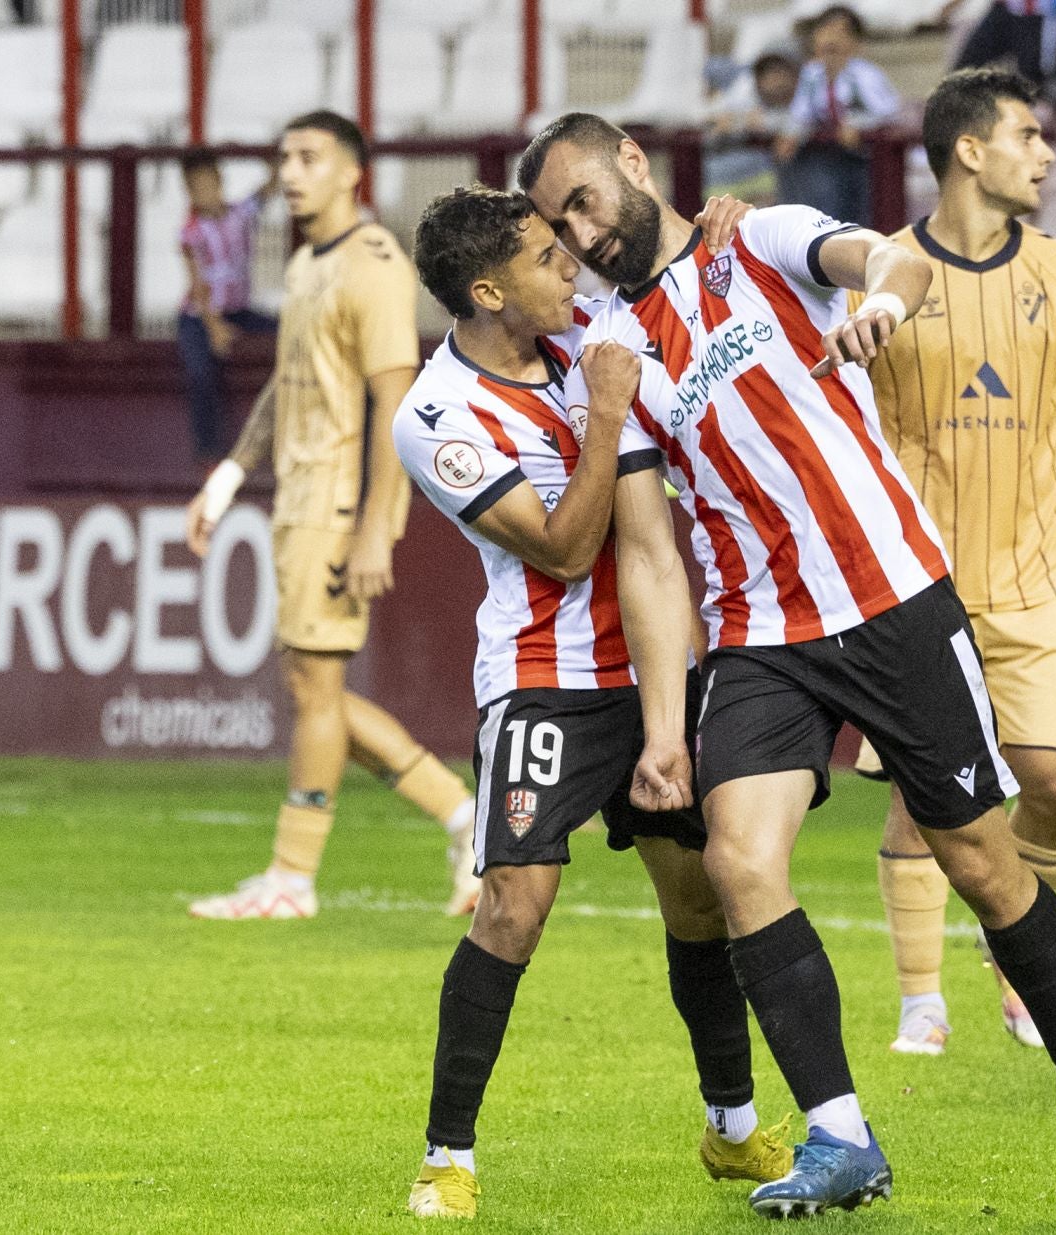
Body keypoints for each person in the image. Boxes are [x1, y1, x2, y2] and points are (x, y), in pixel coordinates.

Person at [521, 113, 1056, 1216]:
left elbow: (887, 258)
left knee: (984, 866)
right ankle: (839, 1133)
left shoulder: (757, 239)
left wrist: (886, 306)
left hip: (892, 596)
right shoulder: (609, 352)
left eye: (581, 200)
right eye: (557, 223)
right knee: (737, 856)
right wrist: (666, 730)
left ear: (631, 162)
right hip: (762, 633)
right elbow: (651, 552)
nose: (578, 232)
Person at [393, 186, 790, 1221]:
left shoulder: (590, 337)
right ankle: (446, 1155)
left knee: (700, 898)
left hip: (656, 672)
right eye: (541, 256)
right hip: (543, 684)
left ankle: (734, 1128)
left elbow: (693, 299)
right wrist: (608, 413)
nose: (570, 264)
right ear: (487, 290)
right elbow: (565, 550)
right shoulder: (437, 417)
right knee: (513, 905)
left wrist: (726, 227)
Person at [850, 69, 1056, 1059]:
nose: (1047, 153)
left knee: (1055, 780)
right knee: (919, 792)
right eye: (1028, 134)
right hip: (917, 583)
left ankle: (1012, 949)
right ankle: (918, 1000)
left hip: (1037, 578)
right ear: (968, 150)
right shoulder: (883, 271)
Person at [182, 112, 479, 921]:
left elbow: (397, 399)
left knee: (315, 687)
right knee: (314, 687)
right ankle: (463, 818)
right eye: (282, 156)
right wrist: (228, 478)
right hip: (297, 496)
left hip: (335, 500)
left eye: (309, 157)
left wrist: (378, 521)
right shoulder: (311, 263)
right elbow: (287, 385)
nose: (289, 171)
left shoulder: (373, 262)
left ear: (353, 172)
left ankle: (292, 875)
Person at [178, 152, 277, 461]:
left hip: (239, 310)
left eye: (208, 185)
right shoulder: (192, 231)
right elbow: (197, 285)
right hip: (200, 316)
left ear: (220, 182)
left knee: (290, 333)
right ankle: (208, 451)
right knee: (201, 374)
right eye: (196, 188)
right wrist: (213, 326)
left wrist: (267, 156)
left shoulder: (241, 214)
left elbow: (271, 187)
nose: (204, 194)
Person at [775, 5, 901, 227]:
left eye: (840, 33)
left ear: (855, 43)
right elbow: (801, 112)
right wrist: (792, 134)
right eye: (825, 31)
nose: (831, 39)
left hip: (867, 161)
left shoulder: (864, 74)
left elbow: (887, 111)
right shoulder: (812, 75)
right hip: (831, 159)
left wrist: (857, 126)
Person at [705, 52, 802, 206]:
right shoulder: (740, 97)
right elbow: (711, 122)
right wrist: (734, 122)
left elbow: (795, 122)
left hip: (765, 188)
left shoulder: (803, 101)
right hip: (722, 184)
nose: (775, 81)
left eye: (780, 73)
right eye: (768, 74)